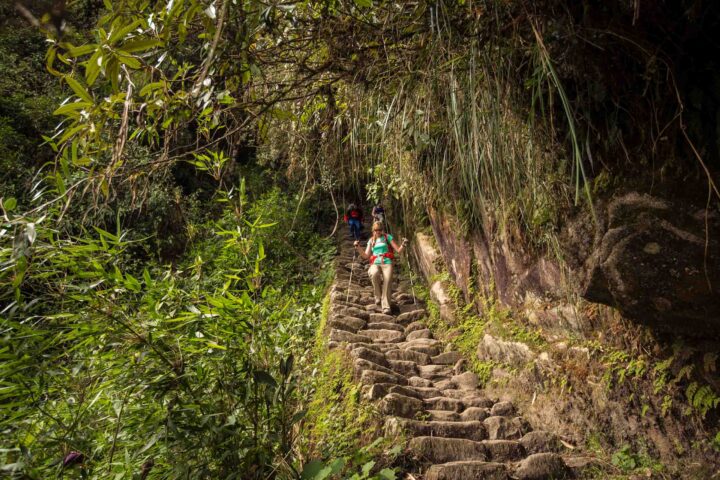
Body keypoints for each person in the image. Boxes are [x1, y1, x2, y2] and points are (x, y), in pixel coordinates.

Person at [353, 222, 408, 314]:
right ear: (373, 230)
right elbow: (366, 256)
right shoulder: (371, 241)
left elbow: (398, 250)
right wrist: (358, 247)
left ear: (382, 230)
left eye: (380, 230)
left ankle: (386, 306)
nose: (378, 232)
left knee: (387, 281)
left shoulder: (387, 237)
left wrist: (404, 244)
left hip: (387, 262)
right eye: (376, 230)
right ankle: (377, 296)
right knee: (374, 273)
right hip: (375, 262)